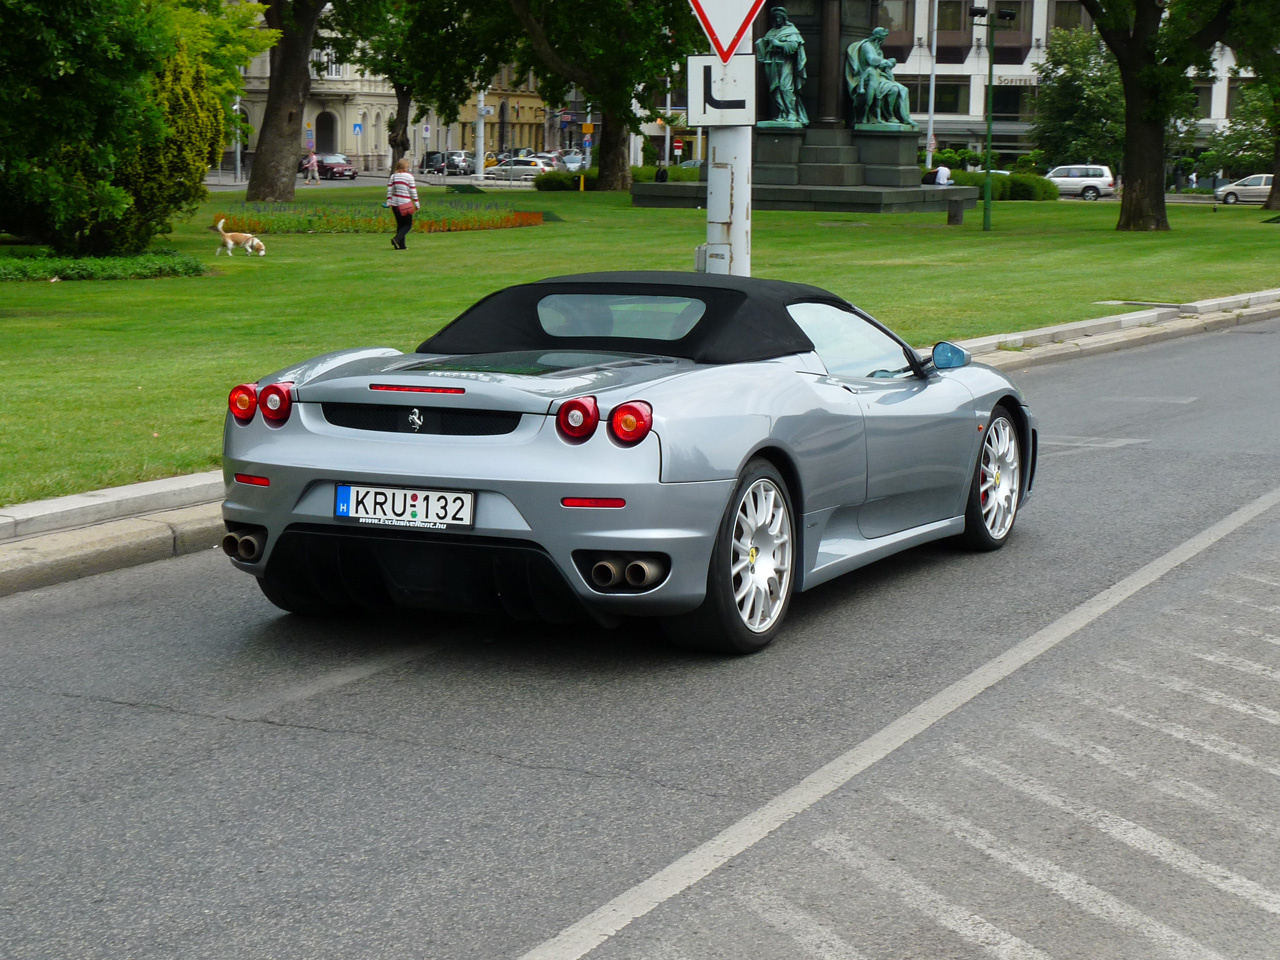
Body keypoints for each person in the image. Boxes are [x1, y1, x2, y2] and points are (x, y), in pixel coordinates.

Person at [845, 27, 916, 127]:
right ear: (878, 37)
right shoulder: (867, 46)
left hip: (879, 76)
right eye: (883, 37)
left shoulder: (877, 48)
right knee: (894, 89)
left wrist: (887, 69)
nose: (883, 40)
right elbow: (871, 59)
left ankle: (903, 117)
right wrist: (885, 62)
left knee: (904, 89)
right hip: (869, 77)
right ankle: (888, 116)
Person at [755, 7, 808, 126]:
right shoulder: (771, 31)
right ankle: (782, 113)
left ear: (784, 18)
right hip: (772, 61)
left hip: (785, 61)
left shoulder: (791, 30)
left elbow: (794, 47)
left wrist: (778, 44)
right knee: (775, 89)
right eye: (776, 18)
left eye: (780, 17)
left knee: (786, 87)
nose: (778, 20)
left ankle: (792, 113)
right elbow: (765, 44)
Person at [385, 157, 419, 250]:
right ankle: (396, 239)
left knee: (400, 225)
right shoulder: (409, 177)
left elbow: (389, 190)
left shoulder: (393, 176)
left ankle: (401, 245)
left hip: (395, 204)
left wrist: (389, 202)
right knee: (407, 225)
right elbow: (413, 191)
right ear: (406, 167)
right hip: (405, 204)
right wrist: (416, 204)